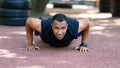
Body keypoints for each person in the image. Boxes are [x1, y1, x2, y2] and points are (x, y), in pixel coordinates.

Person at [26, 14, 90, 52]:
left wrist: (83, 44)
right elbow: (29, 21)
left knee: (75, 29)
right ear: (51, 26)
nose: (59, 32)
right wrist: (30, 44)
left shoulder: (74, 27)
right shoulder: (44, 26)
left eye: (63, 28)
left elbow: (87, 22)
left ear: (67, 26)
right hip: (47, 39)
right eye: (56, 28)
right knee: (42, 24)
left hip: (67, 40)